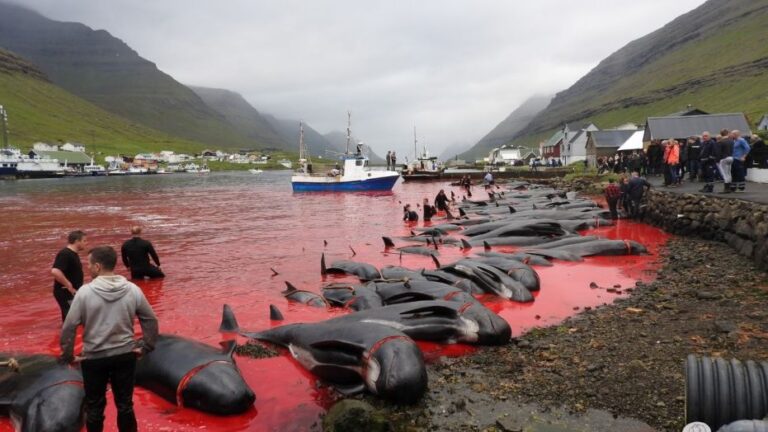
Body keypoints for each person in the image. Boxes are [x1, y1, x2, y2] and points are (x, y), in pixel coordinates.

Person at [60, 245, 158, 432]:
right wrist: (146, 346)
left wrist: (68, 356)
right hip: (125, 355)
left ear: (97, 266)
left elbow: (69, 327)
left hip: (94, 358)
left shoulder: (84, 293)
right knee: (125, 405)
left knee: (95, 407)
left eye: (88, 264)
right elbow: (150, 319)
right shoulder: (132, 289)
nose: (87, 268)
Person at [51, 230, 88, 321]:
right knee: (72, 319)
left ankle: (66, 334)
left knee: (72, 318)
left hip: (70, 292)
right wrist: (69, 285)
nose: (86, 243)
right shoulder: (65, 254)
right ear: (76, 241)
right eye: (84, 241)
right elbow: (55, 271)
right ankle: (67, 335)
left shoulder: (72, 254)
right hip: (65, 292)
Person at [717, 129, 735, 193]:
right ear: (727, 133)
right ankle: (729, 187)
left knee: (724, 174)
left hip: (724, 158)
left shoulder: (720, 142)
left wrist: (717, 160)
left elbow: (718, 152)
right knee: (729, 173)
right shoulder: (732, 141)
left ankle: (726, 189)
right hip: (731, 157)